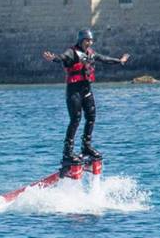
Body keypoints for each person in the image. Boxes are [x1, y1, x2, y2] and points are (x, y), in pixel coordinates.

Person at [42, 29, 130, 164]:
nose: (89, 43)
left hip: (86, 90)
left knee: (91, 117)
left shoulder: (91, 54)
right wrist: (53, 58)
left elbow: (104, 59)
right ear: (81, 40)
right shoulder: (71, 52)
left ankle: (86, 147)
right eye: (86, 40)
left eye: (90, 41)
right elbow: (62, 57)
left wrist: (120, 61)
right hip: (74, 91)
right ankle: (68, 152)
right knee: (75, 119)